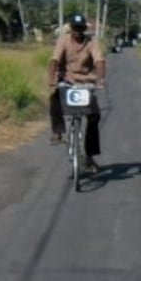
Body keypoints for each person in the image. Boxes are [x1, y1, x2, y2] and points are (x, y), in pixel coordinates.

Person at [48, 11, 106, 173]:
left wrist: (100, 79)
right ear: (70, 28)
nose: (78, 31)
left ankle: (89, 156)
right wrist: (51, 79)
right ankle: (58, 132)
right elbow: (54, 60)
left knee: (94, 116)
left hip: (86, 83)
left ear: (84, 28)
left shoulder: (91, 42)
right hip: (67, 81)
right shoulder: (63, 41)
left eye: (81, 28)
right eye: (75, 28)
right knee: (54, 99)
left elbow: (99, 61)